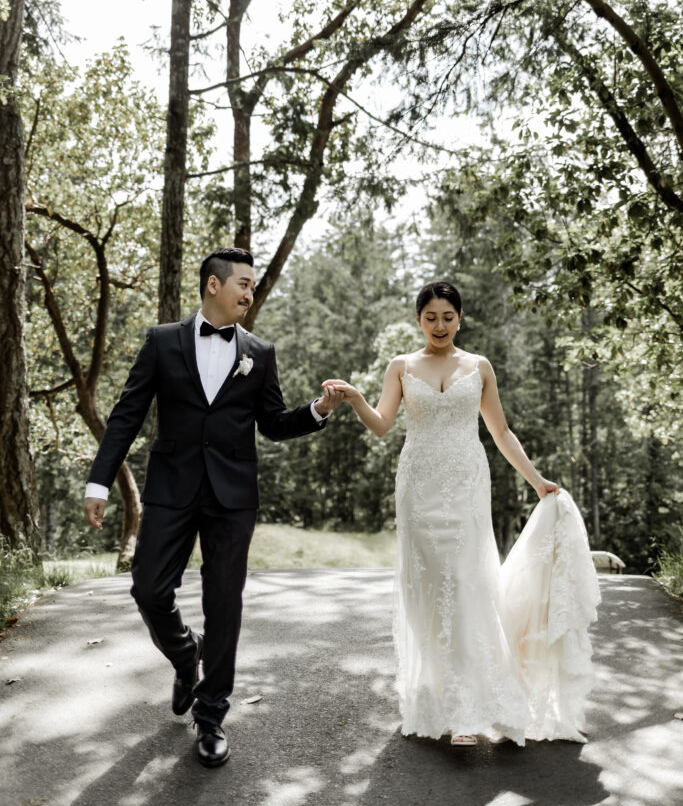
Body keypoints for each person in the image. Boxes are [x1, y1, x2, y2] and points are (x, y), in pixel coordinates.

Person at [83, 247, 343, 767]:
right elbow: (127, 414)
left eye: (251, 285)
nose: (250, 293)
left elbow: (270, 423)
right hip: (172, 490)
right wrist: (99, 481)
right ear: (213, 286)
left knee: (226, 603)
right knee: (149, 587)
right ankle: (185, 655)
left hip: (232, 498)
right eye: (243, 284)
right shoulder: (161, 342)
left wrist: (316, 411)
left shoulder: (259, 352)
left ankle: (211, 715)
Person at [323, 280, 600, 747]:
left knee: (469, 582)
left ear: (460, 318)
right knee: (428, 590)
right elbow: (382, 426)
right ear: (418, 320)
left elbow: (501, 431)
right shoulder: (401, 366)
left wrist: (537, 481)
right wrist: (355, 399)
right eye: (430, 317)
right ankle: (441, 694)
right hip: (418, 488)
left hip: (467, 486)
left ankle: (470, 704)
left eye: (447, 317)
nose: (439, 326)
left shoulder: (479, 366)